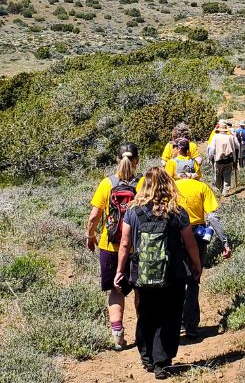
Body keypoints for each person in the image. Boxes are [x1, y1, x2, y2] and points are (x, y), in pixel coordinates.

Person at [114, 167, 201, 380]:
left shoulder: (133, 212)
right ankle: (162, 362)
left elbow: (125, 244)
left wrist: (120, 270)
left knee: (146, 314)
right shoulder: (177, 212)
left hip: (141, 273)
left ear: (144, 186)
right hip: (174, 273)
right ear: (168, 185)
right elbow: (190, 244)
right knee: (170, 316)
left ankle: (147, 358)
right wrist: (197, 265)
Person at [86, 142, 140, 350]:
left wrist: (91, 236)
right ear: (137, 161)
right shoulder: (143, 182)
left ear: (117, 160)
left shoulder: (107, 183)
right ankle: (143, 333)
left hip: (110, 245)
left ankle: (118, 335)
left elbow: (94, 216)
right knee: (140, 290)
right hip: (137, 246)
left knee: (115, 291)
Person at [172, 159, 232, 340]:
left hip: (174, 237)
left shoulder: (171, 188)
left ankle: (176, 323)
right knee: (193, 280)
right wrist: (225, 241)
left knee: (175, 282)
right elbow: (212, 218)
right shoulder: (202, 187)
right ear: (192, 172)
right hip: (196, 237)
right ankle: (191, 325)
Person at [207, 120, 240, 196]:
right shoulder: (231, 137)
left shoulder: (215, 137)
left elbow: (212, 149)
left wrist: (210, 157)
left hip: (219, 160)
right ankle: (225, 191)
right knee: (227, 175)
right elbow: (237, 146)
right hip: (230, 159)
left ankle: (218, 190)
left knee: (218, 175)